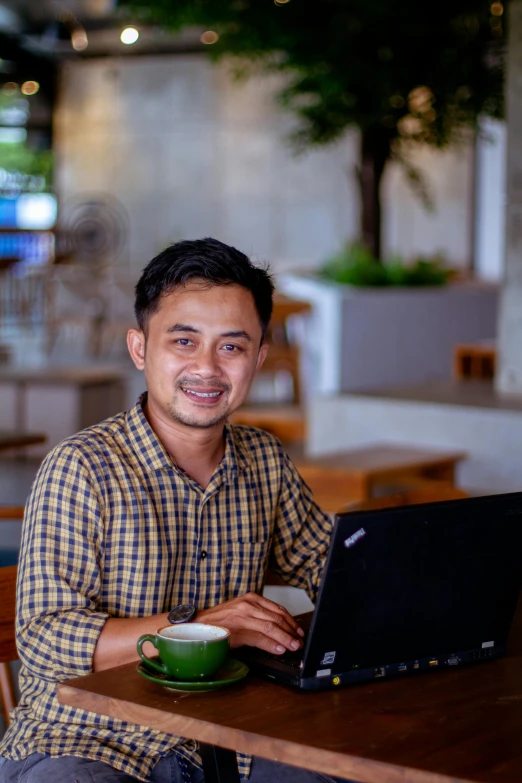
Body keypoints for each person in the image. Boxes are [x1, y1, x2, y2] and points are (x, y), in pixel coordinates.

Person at [0, 238, 346, 783]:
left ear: (258, 357)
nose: (206, 368)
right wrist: (202, 628)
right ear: (140, 348)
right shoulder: (81, 468)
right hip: (85, 741)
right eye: (184, 341)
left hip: (228, 737)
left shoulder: (264, 461)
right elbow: (45, 640)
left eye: (231, 348)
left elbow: (334, 568)